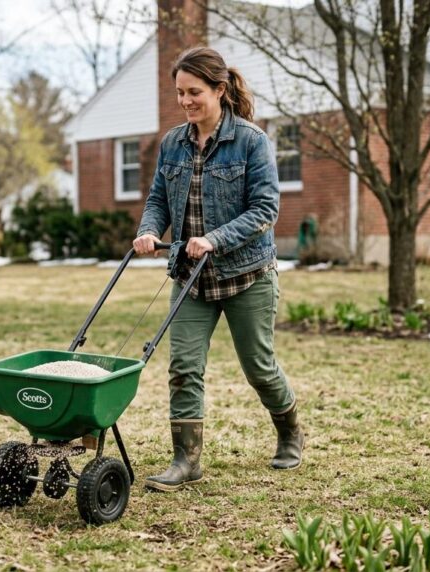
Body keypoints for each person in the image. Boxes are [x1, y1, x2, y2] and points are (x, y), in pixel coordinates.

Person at [133, 46, 304, 492]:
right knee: (184, 367)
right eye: (180, 93)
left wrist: (215, 238)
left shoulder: (251, 141)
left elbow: (265, 209)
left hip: (247, 275)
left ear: (219, 90)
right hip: (191, 278)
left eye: (194, 92)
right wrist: (149, 230)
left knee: (259, 367)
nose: (186, 101)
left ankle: (290, 431)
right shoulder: (173, 143)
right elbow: (157, 199)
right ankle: (186, 460)